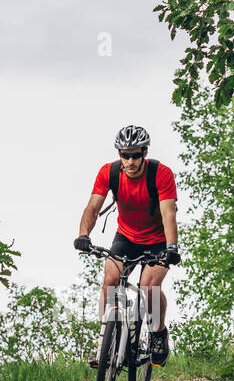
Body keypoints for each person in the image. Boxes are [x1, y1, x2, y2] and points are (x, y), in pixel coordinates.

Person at [74, 124, 180, 367]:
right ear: (119, 154)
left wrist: (171, 248)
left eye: (136, 154)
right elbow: (92, 207)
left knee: (148, 286)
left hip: (158, 239)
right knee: (110, 282)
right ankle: (105, 343)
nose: (130, 161)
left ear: (145, 152)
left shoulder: (160, 174)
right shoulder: (108, 173)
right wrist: (83, 235)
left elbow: (168, 214)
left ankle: (157, 333)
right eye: (125, 155)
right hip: (126, 237)